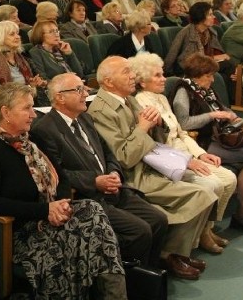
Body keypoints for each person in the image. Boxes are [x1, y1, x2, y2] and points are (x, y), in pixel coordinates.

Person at [0, 83, 127, 299]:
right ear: (6, 112)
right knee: (85, 238)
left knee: (93, 211)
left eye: (33, 107)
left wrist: (61, 204)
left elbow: (62, 178)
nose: (34, 114)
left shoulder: (33, 139)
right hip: (23, 229)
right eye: (26, 108)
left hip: (55, 215)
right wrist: (45, 210)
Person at [88, 56, 217, 280]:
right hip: (133, 176)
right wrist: (143, 127)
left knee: (208, 191)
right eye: (126, 72)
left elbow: (157, 137)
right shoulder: (101, 111)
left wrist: (156, 124)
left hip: (153, 164)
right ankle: (170, 255)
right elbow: (123, 158)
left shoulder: (128, 99)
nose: (133, 76)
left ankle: (176, 253)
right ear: (108, 82)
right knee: (202, 194)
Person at [31, 73, 168, 267]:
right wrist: (95, 181)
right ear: (60, 97)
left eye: (84, 88)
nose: (85, 93)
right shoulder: (45, 130)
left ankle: (149, 273)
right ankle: (128, 278)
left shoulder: (85, 118)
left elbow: (108, 153)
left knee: (159, 219)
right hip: (89, 197)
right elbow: (56, 174)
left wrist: (114, 173)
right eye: (78, 89)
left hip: (113, 189)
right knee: (140, 230)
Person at [129, 53, 237, 253]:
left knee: (229, 178)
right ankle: (200, 235)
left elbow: (182, 132)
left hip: (186, 152)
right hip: (170, 160)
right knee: (213, 184)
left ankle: (207, 228)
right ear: (142, 82)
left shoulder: (161, 98)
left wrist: (200, 154)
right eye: (157, 76)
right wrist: (188, 160)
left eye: (162, 74)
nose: (164, 79)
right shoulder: (141, 104)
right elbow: (155, 146)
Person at [172, 52, 243, 236]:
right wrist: (213, 115)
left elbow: (222, 108)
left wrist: (235, 118)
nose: (212, 80)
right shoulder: (183, 91)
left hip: (220, 135)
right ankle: (242, 215)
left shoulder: (205, 89)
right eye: (208, 76)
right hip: (202, 141)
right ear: (196, 75)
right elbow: (184, 123)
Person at [164, 2, 232, 76]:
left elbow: (214, 51)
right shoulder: (187, 33)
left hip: (204, 64)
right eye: (210, 14)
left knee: (229, 68)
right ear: (201, 17)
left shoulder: (210, 32)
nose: (214, 17)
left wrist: (218, 57)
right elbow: (190, 60)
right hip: (188, 68)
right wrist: (214, 58)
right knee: (227, 66)